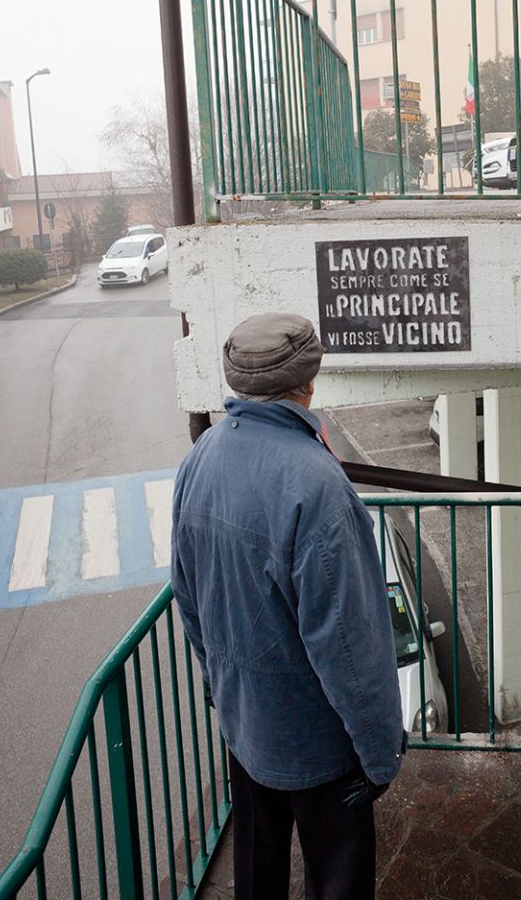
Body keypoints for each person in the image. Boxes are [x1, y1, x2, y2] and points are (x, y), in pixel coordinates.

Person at [171, 312, 405, 900]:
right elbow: (349, 647)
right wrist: (379, 755)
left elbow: (189, 597)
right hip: (318, 745)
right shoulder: (316, 485)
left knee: (257, 873)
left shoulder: (199, 460)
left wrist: (221, 688)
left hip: (245, 726)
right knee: (338, 880)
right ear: (309, 380)